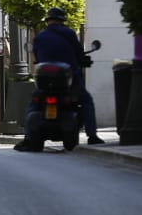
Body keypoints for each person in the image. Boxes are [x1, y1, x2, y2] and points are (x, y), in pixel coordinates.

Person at [31, 8, 101, 144]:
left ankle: (27, 136)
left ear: (47, 21)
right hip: (69, 80)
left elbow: (37, 58)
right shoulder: (69, 33)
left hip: (45, 83)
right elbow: (79, 52)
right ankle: (92, 135)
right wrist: (82, 60)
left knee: (33, 104)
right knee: (86, 101)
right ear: (62, 20)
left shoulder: (39, 37)